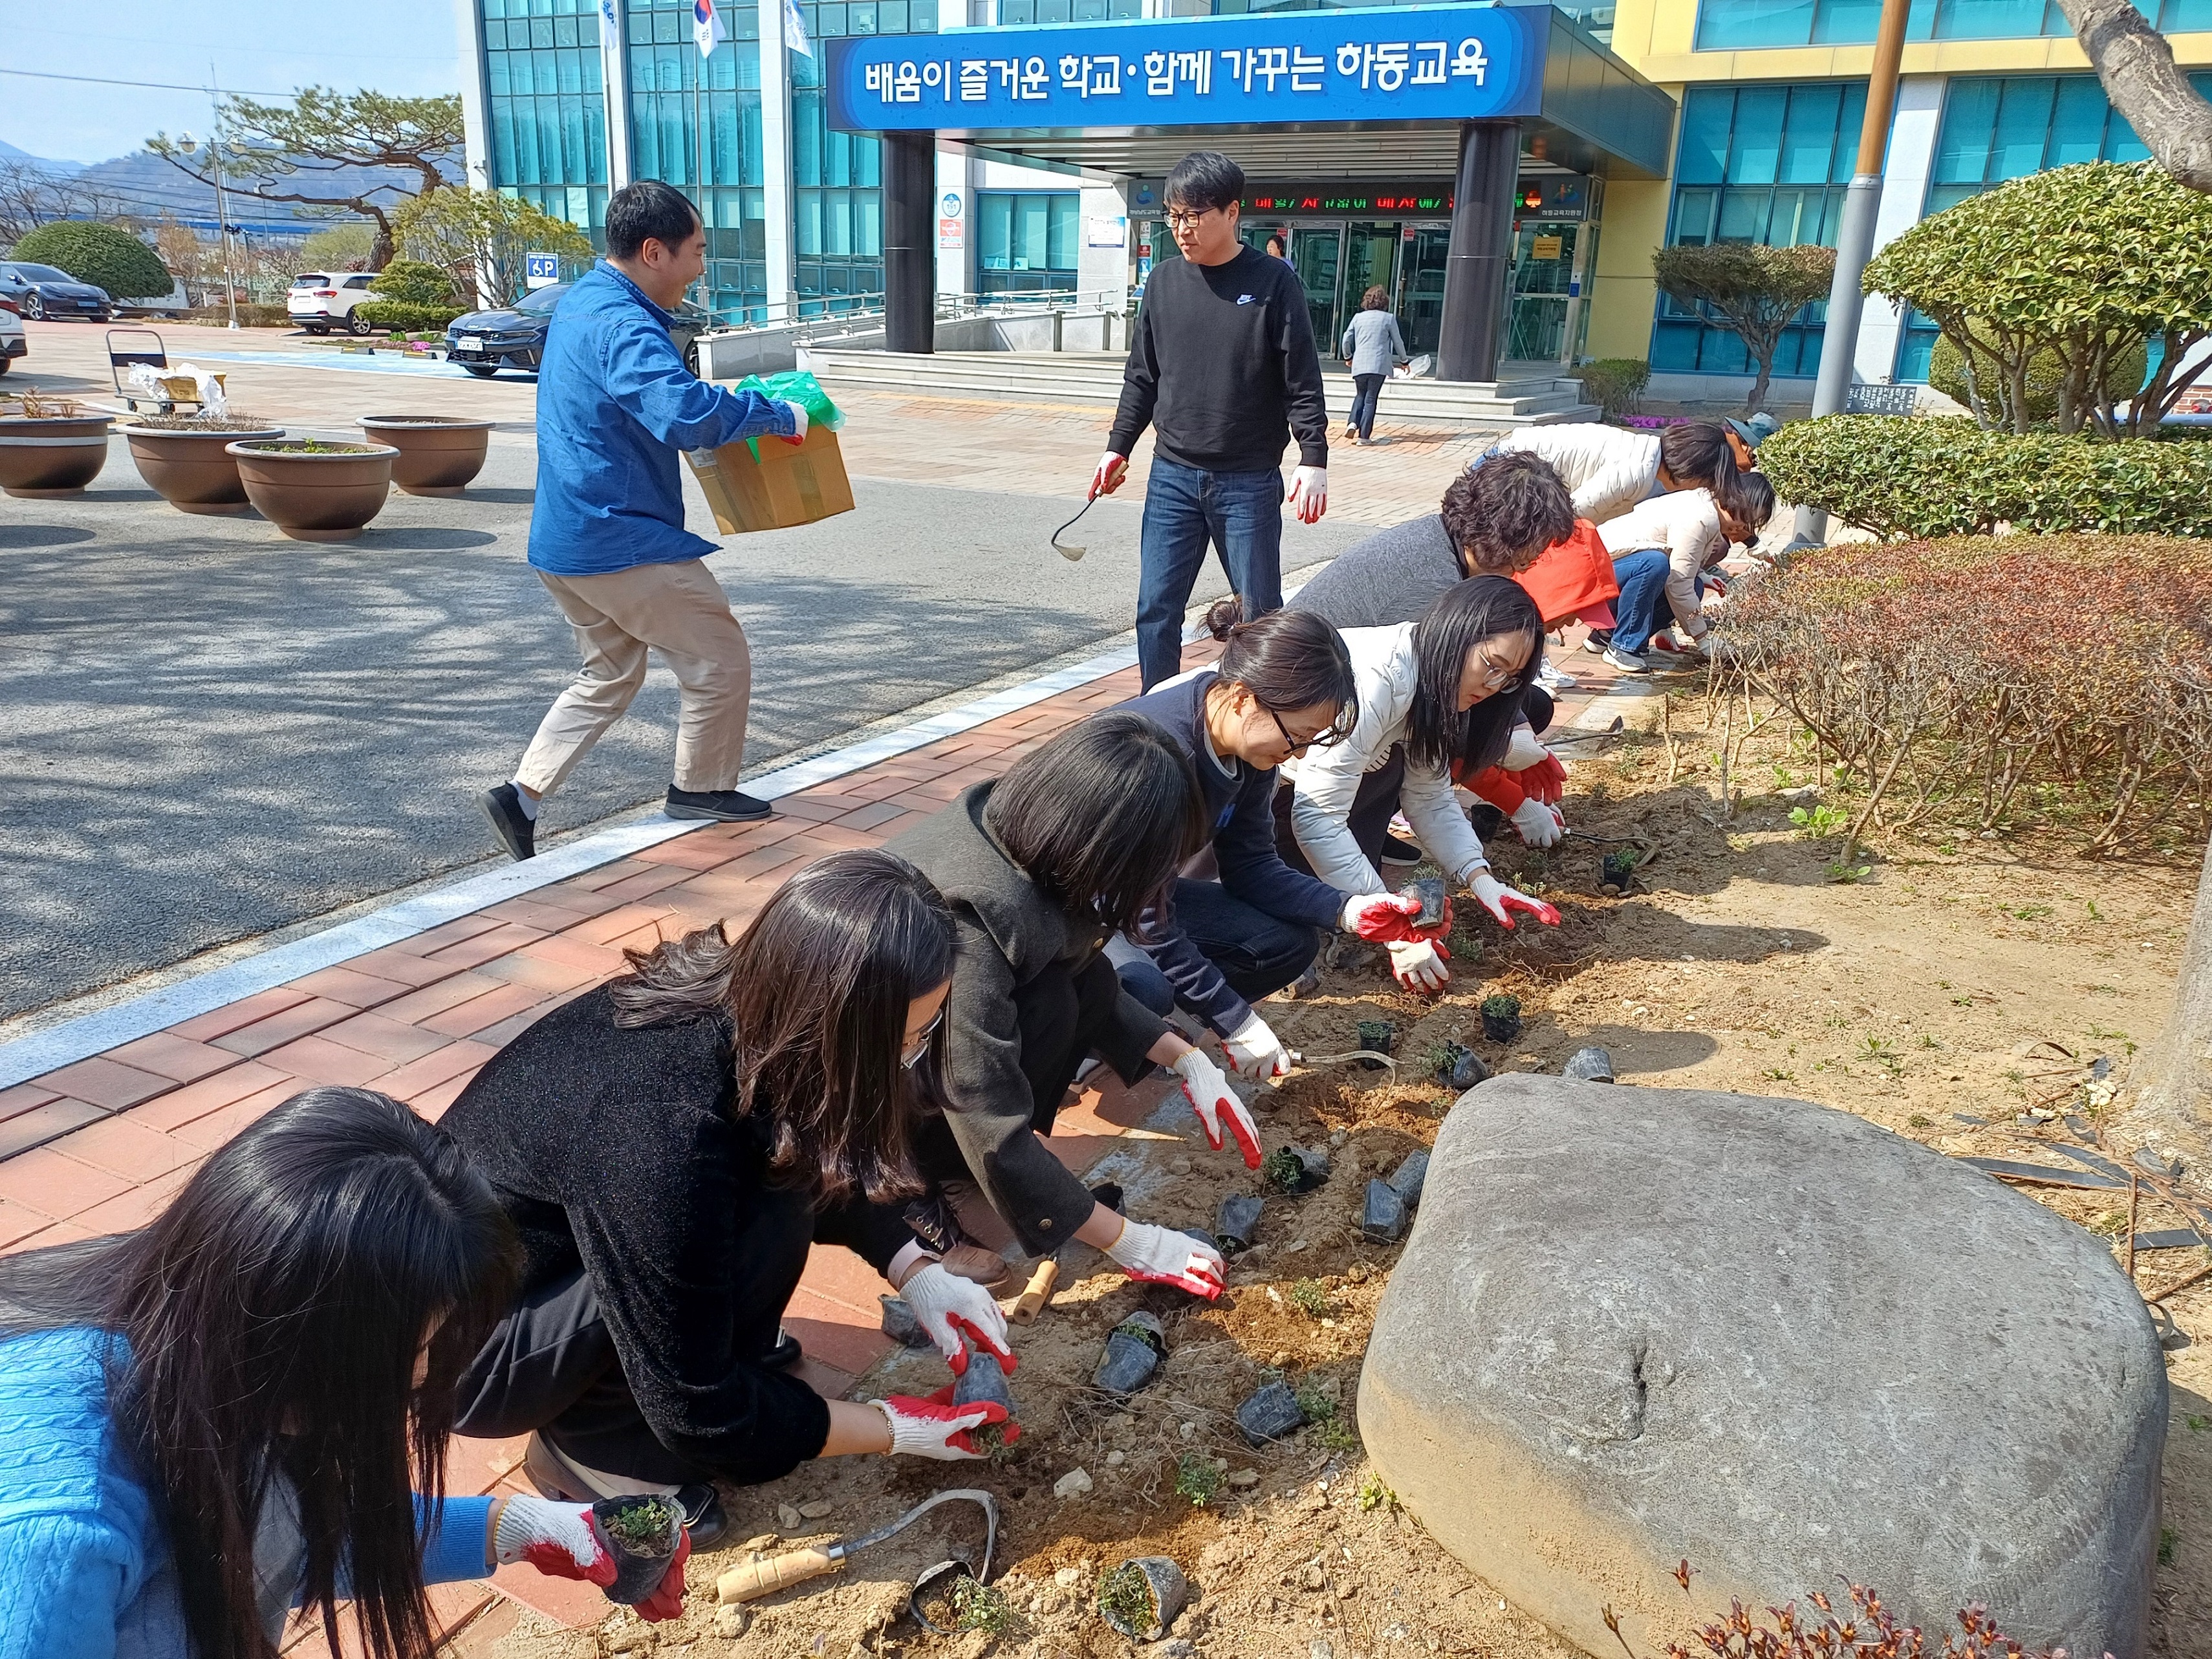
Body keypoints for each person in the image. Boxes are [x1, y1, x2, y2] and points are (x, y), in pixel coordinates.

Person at [0, 1087, 691, 1659]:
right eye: (405, 1368)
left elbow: (273, 1538)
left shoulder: (199, 1313)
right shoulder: (60, 1539)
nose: (417, 1388)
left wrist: (519, 1526)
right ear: (304, 1350)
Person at [440, 851, 1015, 1534]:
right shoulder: (663, 1128)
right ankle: (595, 1449)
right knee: (755, 1217)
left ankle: (687, 1357)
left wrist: (915, 1269)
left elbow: (806, 1142)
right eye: (905, 1039)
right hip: (469, 1354)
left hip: (562, 1257)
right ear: (833, 1029)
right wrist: (896, 1429)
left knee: (771, 1186)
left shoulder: (751, 1011)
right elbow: (702, 1414)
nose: (912, 1055)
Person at [477, 179, 810, 863]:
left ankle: (523, 794)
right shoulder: (623, 323)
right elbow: (685, 416)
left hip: (564, 538)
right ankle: (701, 790)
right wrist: (777, 415)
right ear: (654, 251)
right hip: (620, 538)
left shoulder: (582, 303)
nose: (700, 267)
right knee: (718, 656)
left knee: (609, 675)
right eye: (696, 251)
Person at [887, 712, 1264, 1295]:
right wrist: (1132, 1241)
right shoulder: (973, 927)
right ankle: (911, 1184)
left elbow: (1090, 978)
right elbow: (983, 1105)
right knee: (1042, 1022)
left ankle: (960, 1165)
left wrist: (1189, 1060)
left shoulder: (1027, 838)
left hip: (939, 1050)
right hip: (876, 1085)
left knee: (1066, 993)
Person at [1105, 602, 1450, 1080]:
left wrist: (1350, 910)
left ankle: (1167, 1036)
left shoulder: (1247, 753)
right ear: (1245, 698)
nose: (1301, 754)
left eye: (1311, 740)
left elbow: (1252, 867)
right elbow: (1148, 922)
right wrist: (1238, 1021)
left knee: (1285, 943)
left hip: (1137, 898)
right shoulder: (1162, 757)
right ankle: (1099, 1037)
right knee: (1142, 985)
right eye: (1298, 737)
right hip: (1073, 909)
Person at [1089, 151, 1330, 689]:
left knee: (1261, 614)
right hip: (1172, 475)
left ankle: (1263, 718)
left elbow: (1302, 379)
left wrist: (1313, 457)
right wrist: (1117, 446)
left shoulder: (1273, 282)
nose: (1182, 228)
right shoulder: (1163, 282)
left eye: (1194, 215)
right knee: (1156, 608)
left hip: (1247, 480)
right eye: (1173, 216)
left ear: (1232, 212)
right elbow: (1142, 377)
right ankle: (1157, 715)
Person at [1277, 578, 1562, 992]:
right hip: (1220, 771)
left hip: (1291, 782)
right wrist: (1394, 927)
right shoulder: (1383, 680)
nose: (1494, 687)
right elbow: (1318, 815)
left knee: (1388, 770)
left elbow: (1430, 796)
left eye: (1511, 678)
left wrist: (1481, 878)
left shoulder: (1443, 686)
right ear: (1459, 632)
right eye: (1493, 665)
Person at [1289, 455, 1579, 851]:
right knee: (1406, 747)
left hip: (1368, 687)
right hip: (1310, 702)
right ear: (1500, 537)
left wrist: (1520, 734)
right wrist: (1515, 799)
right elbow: (1435, 718)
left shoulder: (1451, 544)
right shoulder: (1430, 589)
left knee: (1527, 703)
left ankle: (1381, 817)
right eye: (1524, 558)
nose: (1527, 568)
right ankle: (1358, 832)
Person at [1593, 470, 1776, 674]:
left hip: (1617, 568)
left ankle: (1607, 633)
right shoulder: (1701, 518)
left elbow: (1683, 565)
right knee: (1655, 565)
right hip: (1598, 569)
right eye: (1751, 520)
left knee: (1694, 584)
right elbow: (1679, 583)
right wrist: (1703, 639)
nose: (1747, 528)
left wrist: (1704, 576)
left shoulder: (1708, 506)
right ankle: (1623, 646)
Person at [1487, 417, 1758, 523]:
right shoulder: (1638, 471)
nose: (1701, 489)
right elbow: (1569, 515)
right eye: (1705, 481)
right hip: (1506, 473)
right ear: (1691, 470)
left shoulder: (1646, 451)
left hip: (1514, 468)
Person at [1340, 287, 1408, 447]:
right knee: (1371, 400)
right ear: (1384, 302)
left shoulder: (1358, 318)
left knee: (1360, 395)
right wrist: (1404, 361)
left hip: (1359, 364)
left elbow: (1346, 339)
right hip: (1378, 365)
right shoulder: (1388, 318)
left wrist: (1348, 357)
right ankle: (1364, 437)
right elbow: (1398, 342)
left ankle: (1352, 422)